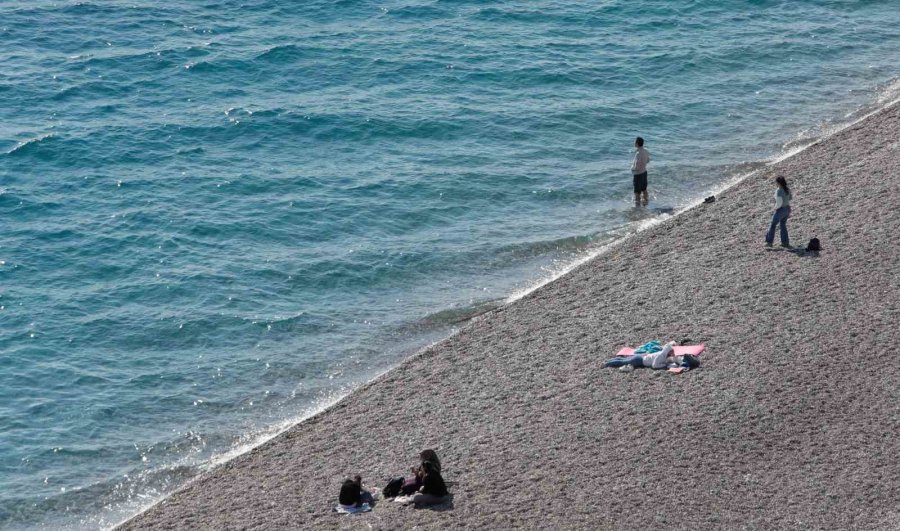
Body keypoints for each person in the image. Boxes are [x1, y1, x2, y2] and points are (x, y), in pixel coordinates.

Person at [603, 341, 676, 370]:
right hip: (640, 360)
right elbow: (655, 365)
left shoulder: (662, 354)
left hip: (641, 357)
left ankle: (608, 361)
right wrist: (665, 366)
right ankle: (607, 364)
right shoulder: (661, 355)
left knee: (623, 360)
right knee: (623, 362)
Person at [765, 176, 792, 247]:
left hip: (781, 209)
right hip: (787, 209)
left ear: (779, 183)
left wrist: (775, 208)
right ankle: (785, 242)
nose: (775, 183)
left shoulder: (779, 190)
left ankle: (769, 242)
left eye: (776, 182)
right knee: (783, 225)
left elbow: (779, 202)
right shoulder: (787, 189)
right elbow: (790, 198)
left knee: (772, 225)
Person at [631, 136, 651, 206]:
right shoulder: (646, 150)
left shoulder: (638, 153)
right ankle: (646, 203)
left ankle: (638, 209)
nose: (634, 143)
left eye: (635, 141)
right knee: (644, 189)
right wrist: (643, 164)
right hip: (644, 172)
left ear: (637, 143)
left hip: (638, 174)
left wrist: (632, 169)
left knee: (637, 193)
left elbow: (637, 166)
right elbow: (648, 160)